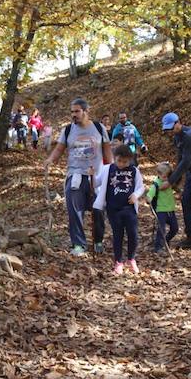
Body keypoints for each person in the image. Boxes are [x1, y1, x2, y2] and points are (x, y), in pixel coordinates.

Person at [43, 97, 113, 256]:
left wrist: (111, 168)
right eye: (72, 112)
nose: (73, 115)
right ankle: (79, 244)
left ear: (86, 111)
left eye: (77, 111)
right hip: (75, 175)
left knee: (99, 210)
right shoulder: (67, 130)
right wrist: (50, 160)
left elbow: (107, 150)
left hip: (97, 175)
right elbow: (60, 149)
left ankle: (98, 240)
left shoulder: (99, 128)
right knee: (75, 211)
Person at [161, 112, 191, 252]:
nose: (171, 131)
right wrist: (178, 182)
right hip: (190, 174)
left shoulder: (190, 135)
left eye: (172, 127)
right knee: (186, 202)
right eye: (168, 129)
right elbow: (180, 159)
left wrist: (170, 181)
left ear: (179, 122)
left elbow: (187, 161)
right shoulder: (178, 137)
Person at [93, 144, 145, 274]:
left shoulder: (134, 171)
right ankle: (118, 261)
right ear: (115, 158)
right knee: (118, 235)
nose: (121, 164)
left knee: (133, 234)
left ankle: (131, 259)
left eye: (125, 162)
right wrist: (92, 175)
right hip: (113, 208)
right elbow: (95, 183)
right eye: (119, 161)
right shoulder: (107, 169)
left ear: (130, 160)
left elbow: (141, 187)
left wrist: (135, 195)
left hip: (129, 208)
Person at [146, 161, 179, 255]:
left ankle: (166, 240)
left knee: (175, 228)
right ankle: (158, 247)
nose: (166, 179)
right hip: (161, 210)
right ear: (159, 174)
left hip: (170, 209)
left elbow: (175, 188)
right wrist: (149, 198)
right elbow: (150, 193)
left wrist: (179, 192)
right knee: (161, 229)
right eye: (164, 177)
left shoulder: (168, 182)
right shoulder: (156, 184)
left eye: (168, 177)